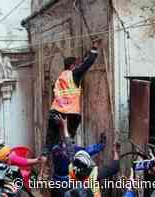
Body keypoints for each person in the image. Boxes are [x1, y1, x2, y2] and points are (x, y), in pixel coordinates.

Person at [40, 39, 102, 170]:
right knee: (69, 142)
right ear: (73, 66)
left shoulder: (60, 78)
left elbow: (81, 65)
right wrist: (94, 49)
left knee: (49, 142)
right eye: (76, 65)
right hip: (70, 114)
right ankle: (70, 168)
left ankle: (43, 170)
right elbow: (86, 65)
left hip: (55, 112)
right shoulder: (74, 75)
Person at [50, 116, 106, 197]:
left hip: (56, 181)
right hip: (67, 182)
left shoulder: (54, 148)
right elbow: (88, 150)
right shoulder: (72, 150)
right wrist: (101, 145)